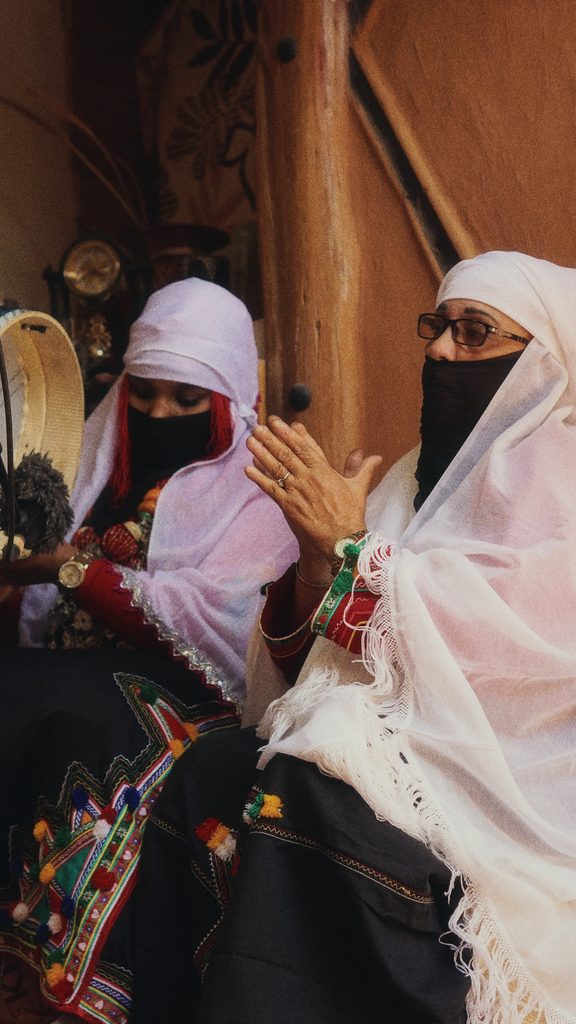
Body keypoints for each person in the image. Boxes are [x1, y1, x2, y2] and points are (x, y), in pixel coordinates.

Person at [132, 251, 576, 1024]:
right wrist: (318, 559)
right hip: (397, 749)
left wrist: (351, 543)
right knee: (213, 767)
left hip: (499, 791)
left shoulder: (562, 482)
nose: (442, 351)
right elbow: (320, 656)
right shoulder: (411, 476)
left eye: (475, 333)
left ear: (543, 361)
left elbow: (502, 655)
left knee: (308, 789)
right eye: (437, 328)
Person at [0, 277, 296, 1024]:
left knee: (70, 719)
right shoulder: (89, 462)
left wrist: (74, 571)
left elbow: (227, 622)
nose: (159, 414)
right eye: (145, 392)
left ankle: (86, 985)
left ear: (227, 399)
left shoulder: (259, 488)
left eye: (187, 399)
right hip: (68, 671)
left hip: (191, 694)